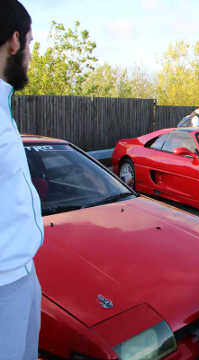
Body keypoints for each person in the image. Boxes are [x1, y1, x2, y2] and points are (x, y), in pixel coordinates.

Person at [0, 2, 44, 359]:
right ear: (14, 41)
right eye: (30, 42)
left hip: (24, 274)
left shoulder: (3, 106)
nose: (29, 54)